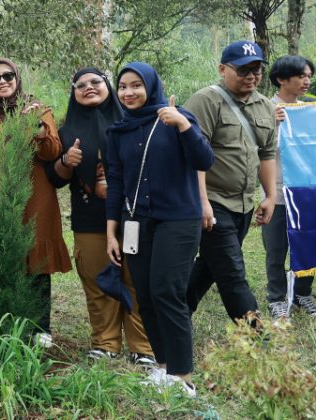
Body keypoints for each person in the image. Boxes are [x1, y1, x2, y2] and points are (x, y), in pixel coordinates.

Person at [106, 62, 214, 397]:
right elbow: (116, 183)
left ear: (151, 86)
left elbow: (204, 160)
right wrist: (111, 232)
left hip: (178, 220)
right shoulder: (118, 131)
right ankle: (164, 366)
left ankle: (183, 375)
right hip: (136, 222)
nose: (129, 92)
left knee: (167, 291)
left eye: (136, 85)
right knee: (146, 295)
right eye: (123, 86)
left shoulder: (177, 118)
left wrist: (183, 125)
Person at [46, 67, 153, 364]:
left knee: (136, 278)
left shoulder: (133, 122)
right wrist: (66, 161)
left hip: (132, 216)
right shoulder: (65, 131)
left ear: (108, 85)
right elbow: (54, 178)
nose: (88, 87)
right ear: (73, 93)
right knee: (97, 282)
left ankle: (142, 347)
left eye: (95, 82)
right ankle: (105, 343)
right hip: (89, 219)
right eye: (80, 85)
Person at [185, 41, 277, 326]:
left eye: (256, 70)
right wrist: (202, 203)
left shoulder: (265, 105)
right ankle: (258, 338)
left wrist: (270, 195)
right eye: (242, 70)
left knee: (211, 265)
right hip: (213, 201)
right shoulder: (205, 101)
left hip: (244, 203)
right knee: (232, 272)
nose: (250, 76)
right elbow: (193, 155)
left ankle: (173, 313)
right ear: (222, 69)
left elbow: (267, 153)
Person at [0, 58, 70, 346]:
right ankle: (9, 320)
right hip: (0, 191)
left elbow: (53, 151)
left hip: (35, 191)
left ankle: (41, 326)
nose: (2, 81)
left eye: (8, 76)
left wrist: (39, 129)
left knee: (36, 255)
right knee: (6, 254)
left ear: (17, 78)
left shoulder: (38, 109)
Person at [265, 55, 316, 323]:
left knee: (308, 242)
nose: (307, 81)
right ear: (282, 79)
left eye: (309, 76)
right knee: (276, 250)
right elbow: (255, 148)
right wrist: (271, 124)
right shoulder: (265, 108)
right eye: (301, 76)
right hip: (277, 193)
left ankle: (302, 293)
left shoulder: (310, 111)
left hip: (307, 193)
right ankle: (276, 298)